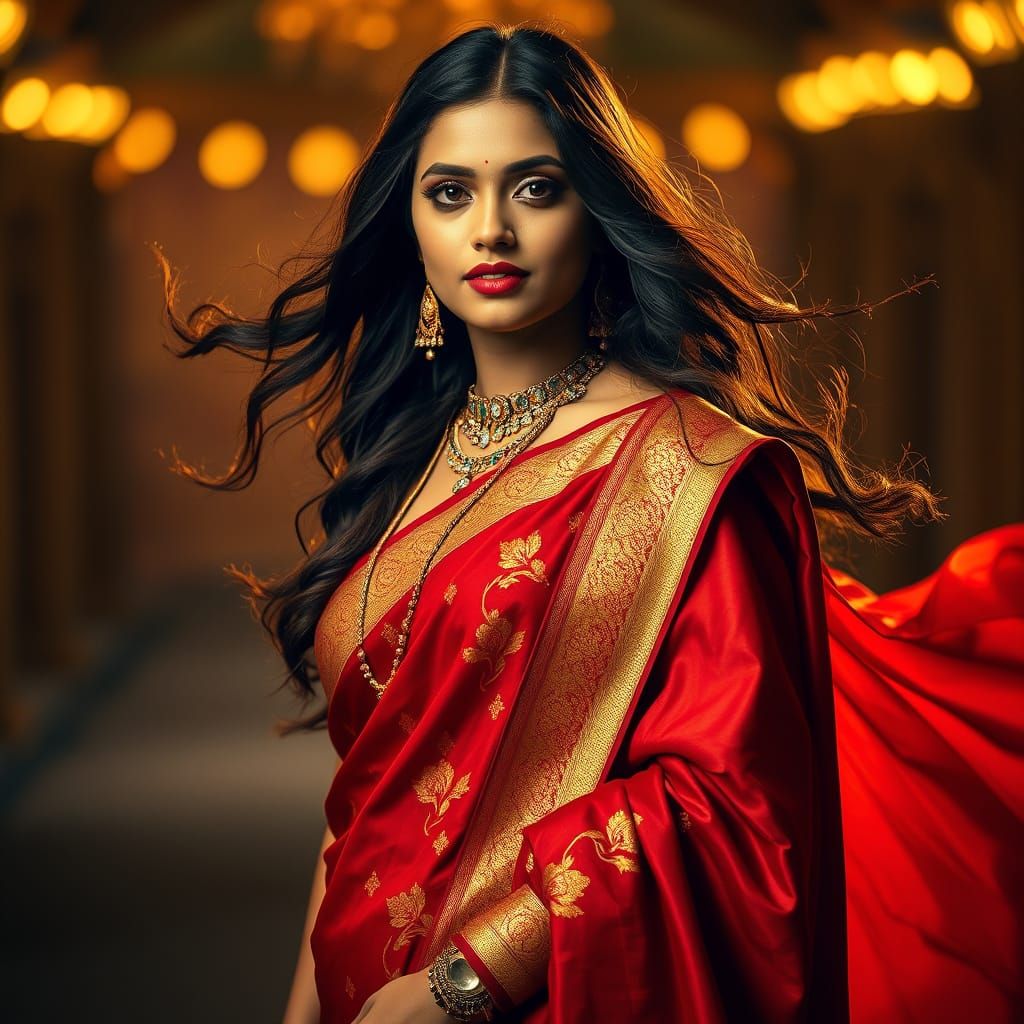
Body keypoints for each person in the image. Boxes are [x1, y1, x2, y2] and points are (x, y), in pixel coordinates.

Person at [154, 22, 1023, 1024]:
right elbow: (365, 801)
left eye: (534, 187)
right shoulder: (405, 457)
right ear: (411, 226)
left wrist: (464, 980)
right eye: (449, 193)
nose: (489, 229)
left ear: (597, 211)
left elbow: (732, 809)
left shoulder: (694, 475)